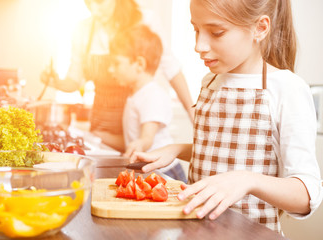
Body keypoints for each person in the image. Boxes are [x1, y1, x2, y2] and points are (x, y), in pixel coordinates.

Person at [130, 0, 323, 233]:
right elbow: (228, 152)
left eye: (216, 32)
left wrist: (248, 180)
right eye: (196, 29)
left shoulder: (287, 88)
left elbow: (307, 194)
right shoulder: (210, 82)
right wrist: (176, 149)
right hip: (197, 232)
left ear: (260, 28)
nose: (199, 45)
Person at [41, 0, 194, 152]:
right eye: (88, 3)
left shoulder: (144, 20)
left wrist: (192, 112)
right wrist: (55, 82)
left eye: (100, 2)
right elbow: (74, 80)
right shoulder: (84, 29)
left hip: (133, 127)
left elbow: (172, 69)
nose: (94, 10)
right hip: (102, 125)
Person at [108, 24, 187, 182]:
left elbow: (147, 138)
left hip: (165, 171)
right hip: (153, 168)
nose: (110, 69)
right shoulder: (137, 94)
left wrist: (140, 145)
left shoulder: (152, 95)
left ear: (139, 64)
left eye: (116, 63)